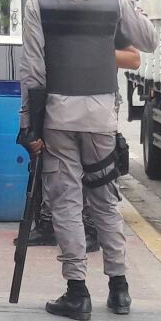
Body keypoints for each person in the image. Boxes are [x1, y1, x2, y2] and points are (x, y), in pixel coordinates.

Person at [18, 0, 156, 321]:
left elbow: (33, 70)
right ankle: (120, 288)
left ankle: (77, 292)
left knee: (65, 201)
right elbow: (148, 41)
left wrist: (29, 125)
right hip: (100, 117)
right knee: (105, 200)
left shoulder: (39, 1)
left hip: (58, 118)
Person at [17, 43, 142, 252]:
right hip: (59, 101)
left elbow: (133, 59)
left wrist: (90, 48)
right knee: (51, 166)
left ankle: (91, 228)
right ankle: (47, 223)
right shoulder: (52, 14)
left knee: (92, 171)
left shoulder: (108, 15)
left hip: (96, 104)